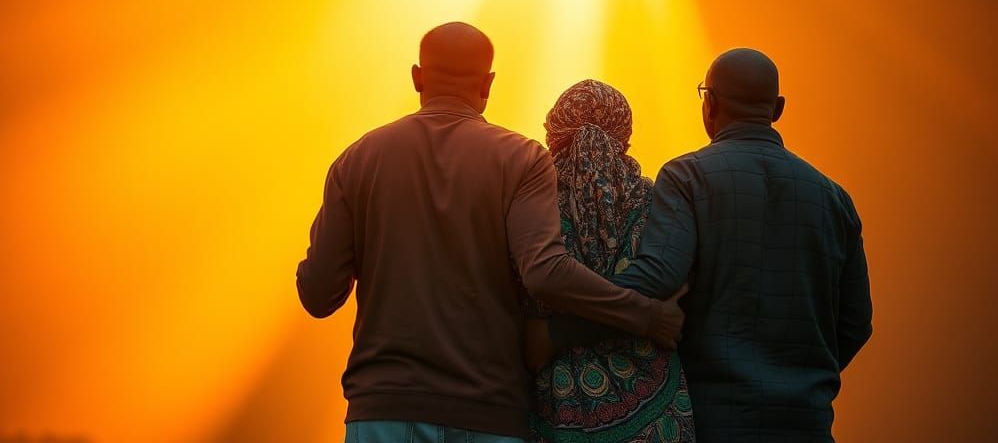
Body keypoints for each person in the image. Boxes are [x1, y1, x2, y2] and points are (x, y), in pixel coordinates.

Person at [295, 22, 684, 443]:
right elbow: (545, 273)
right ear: (488, 84)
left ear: (417, 77)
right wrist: (645, 315)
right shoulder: (521, 159)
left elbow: (317, 295)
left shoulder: (356, 161)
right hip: (487, 413)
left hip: (382, 410)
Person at [548, 49, 873, 442]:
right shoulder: (834, 199)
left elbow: (658, 276)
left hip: (715, 418)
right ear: (778, 108)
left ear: (710, 103)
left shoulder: (689, 176)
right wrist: (803, 379)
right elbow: (856, 322)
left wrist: (561, 330)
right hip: (808, 421)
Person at [520, 80, 696, 443]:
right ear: (626, 138)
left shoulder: (531, 205)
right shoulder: (655, 200)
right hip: (657, 416)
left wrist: (555, 333)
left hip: (552, 409)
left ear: (554, 134)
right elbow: (673, 289)